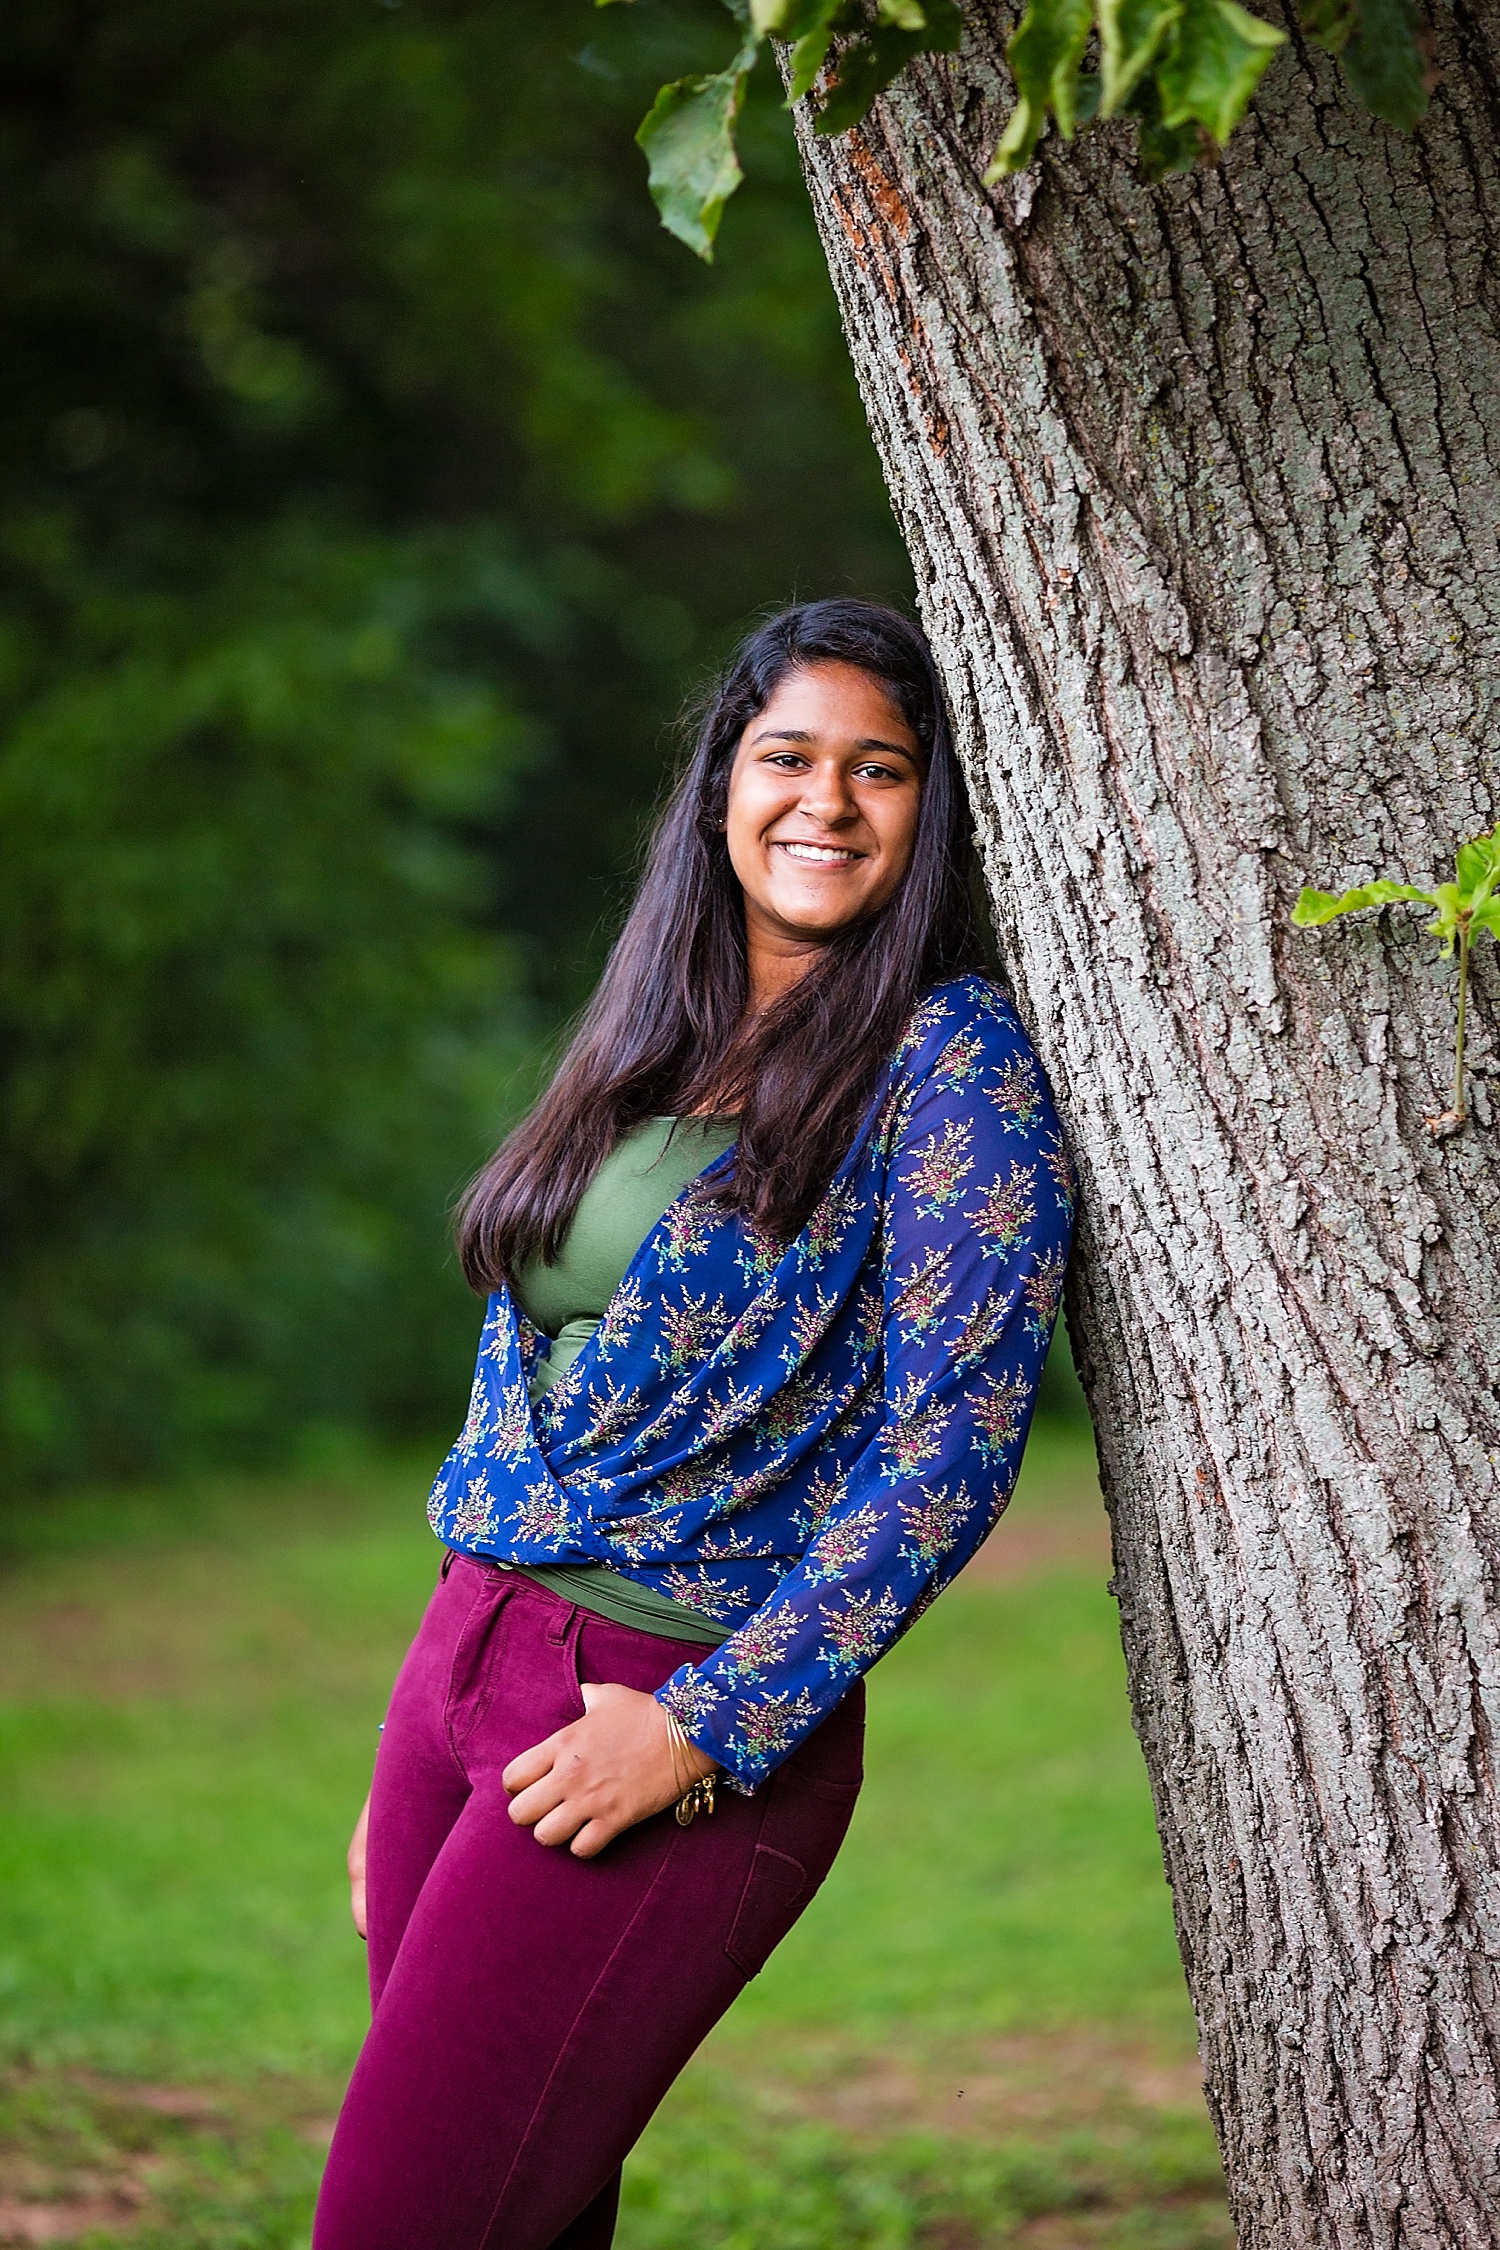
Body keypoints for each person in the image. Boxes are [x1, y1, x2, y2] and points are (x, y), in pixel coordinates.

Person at [312, 600, 1074, 2250]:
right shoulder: (658, 1018)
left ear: (930, 812)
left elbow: (949, 1448)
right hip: (469, 1662)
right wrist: (427, 1720)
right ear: (722, 780)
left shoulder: (951, 1064)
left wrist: (709, 1727)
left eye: (882, 771)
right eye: (789, 755)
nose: (828, 802)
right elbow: (531, 1363)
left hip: (667, 1712)